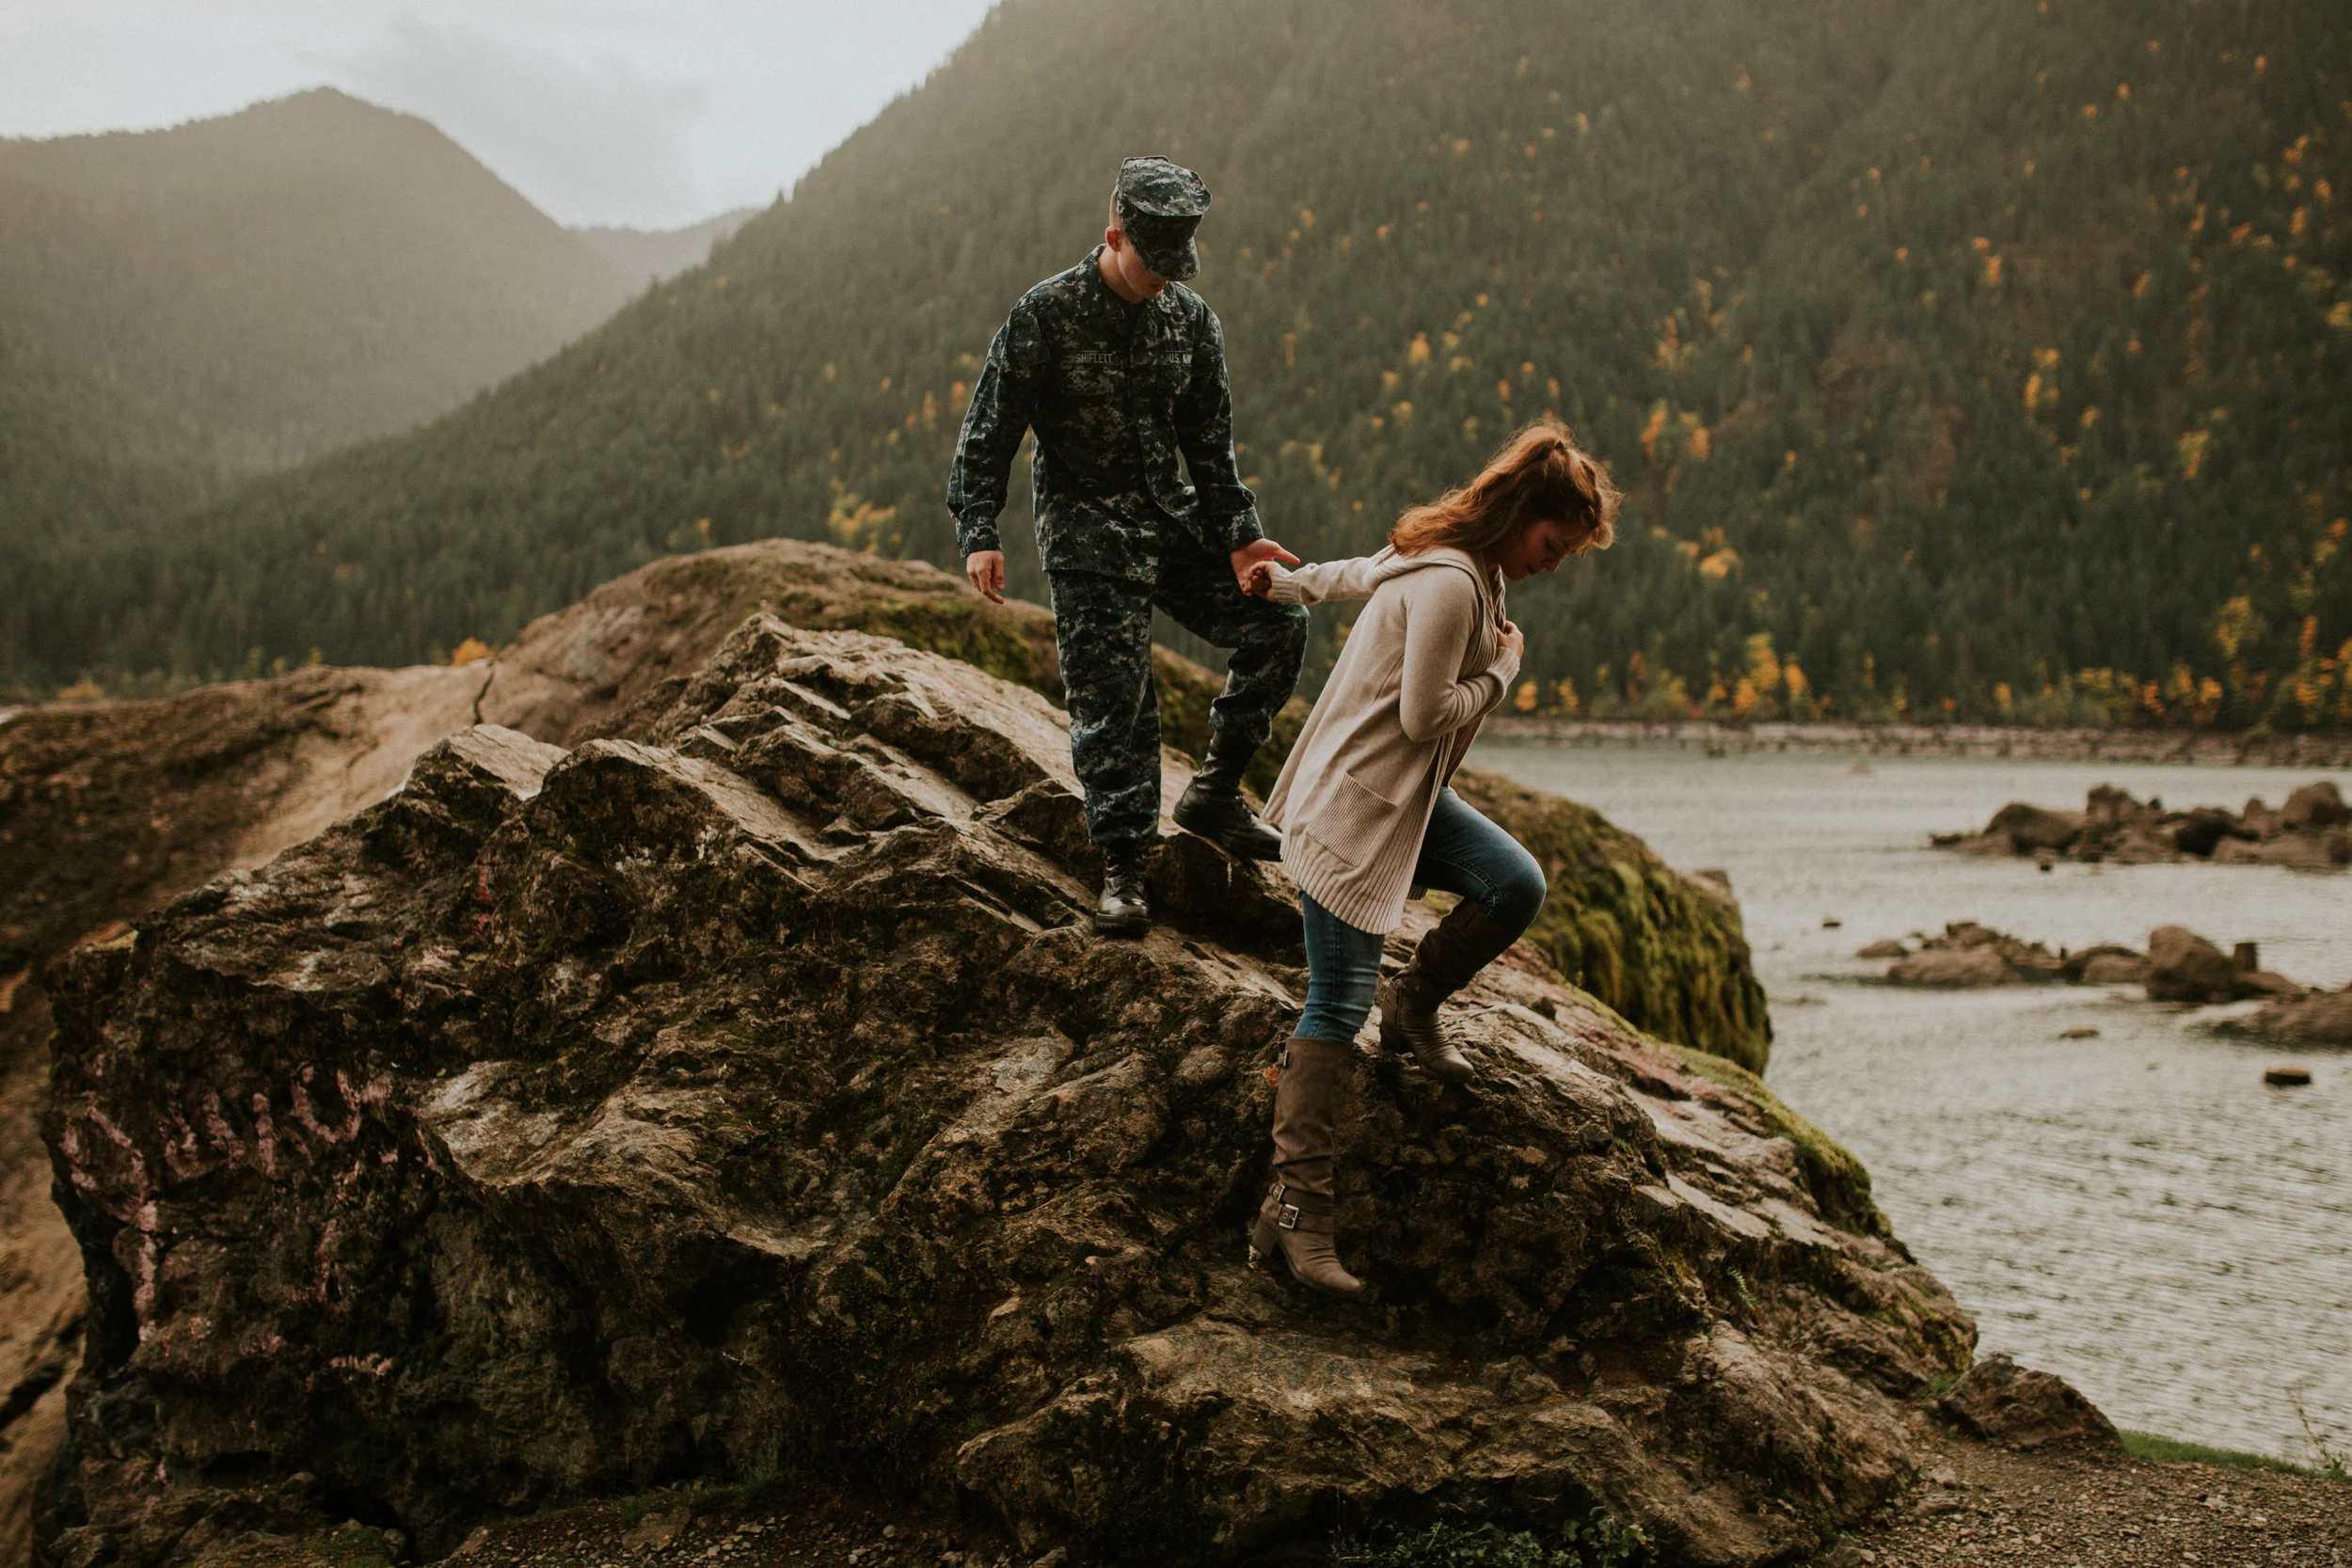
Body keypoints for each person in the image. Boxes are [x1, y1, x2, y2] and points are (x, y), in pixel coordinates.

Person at [1239, 419, 1621, 1297]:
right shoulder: (1452, 581)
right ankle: (1297, 1210)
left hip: (1405, 797)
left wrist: (1285, 584)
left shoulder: (1466, 562)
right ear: (1522, 515)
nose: (1553, 565)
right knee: (1336, 1002)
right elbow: (1423, 716)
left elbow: (1358, 573)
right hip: (1357, 807)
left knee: (1514, 883)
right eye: (1553, 545)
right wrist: (1505, 672)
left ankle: (1413, 1006)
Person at [948, 156, 1307, 938]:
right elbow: (989, 430)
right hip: (1087, 534)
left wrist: (1242, 539)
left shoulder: (1191, 321)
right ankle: (1124, 866)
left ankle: (1215, 793)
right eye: (1155, 264)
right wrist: (980, 531)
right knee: (1117, 701)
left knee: (1281, 621)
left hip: (1170, 519)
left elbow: (1210, 447)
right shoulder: (1046, 314)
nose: (1167, 280)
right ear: (1114, 236)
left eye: (1180, 266)